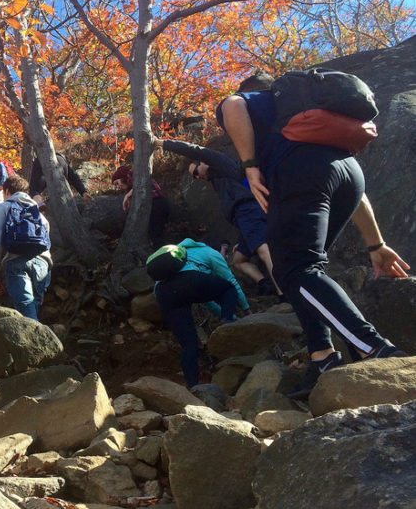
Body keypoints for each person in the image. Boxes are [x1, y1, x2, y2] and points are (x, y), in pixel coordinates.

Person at [216, 73, 409, 397]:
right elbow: (354, 192)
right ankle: (322, 357)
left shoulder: (257, 101)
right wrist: (376, 244)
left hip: (303, 173)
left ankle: (375, 349)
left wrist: (249, 165)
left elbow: (233, 105)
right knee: (301, 270)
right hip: (349, 175)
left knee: (295, 270)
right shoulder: (314, 123)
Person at [154, 137, 282, 297]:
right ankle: (265, 283)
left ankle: (283, 291)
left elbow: (193, 149)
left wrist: (161, 143)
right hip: (243, 219)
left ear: (204, 163)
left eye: (195, 172)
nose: (197, 177)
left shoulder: (220, 163)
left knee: (264, 249)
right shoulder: (218, 180)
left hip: (248, 211)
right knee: (238, 260)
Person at [151, 239, 250, 388]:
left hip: (162, 293)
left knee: (188, 345)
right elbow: (230, 282)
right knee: (228, 288)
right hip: (187, 281)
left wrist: (223, 314)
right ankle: (227, 319)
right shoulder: (210, 252)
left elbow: (206, 300)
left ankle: (193, 387)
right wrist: (243, 310)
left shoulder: (174, 253)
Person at [0, 175, 52, 320]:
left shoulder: (4, 207)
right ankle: (41, 340)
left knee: (26, 312)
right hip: (42, 264)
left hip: (16, 261)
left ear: (7, 191)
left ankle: (34, 342)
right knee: (33, 307)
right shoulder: (37, 212)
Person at [112, 165, 170, 247]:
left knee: (156, 237)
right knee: (156, 236)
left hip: (158, 205)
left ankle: (165, 256)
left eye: (117, 183)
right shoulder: (132, 184)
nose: (118, 187)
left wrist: (127, 195)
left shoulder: (137, 177)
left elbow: (144, 185)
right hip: (156, 206)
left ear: (123, 177)